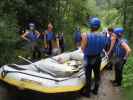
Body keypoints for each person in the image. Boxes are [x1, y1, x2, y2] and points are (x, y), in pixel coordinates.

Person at [81, 17, 107, 97]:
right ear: (98, 26)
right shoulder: (103, 35)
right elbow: (103, 47)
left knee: (88, 76)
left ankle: (87, 93)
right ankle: (95, 90)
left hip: (88, 58)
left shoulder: (86, 35)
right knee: (97, 75)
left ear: (91, 26)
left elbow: (82, 48)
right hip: (98, 58)